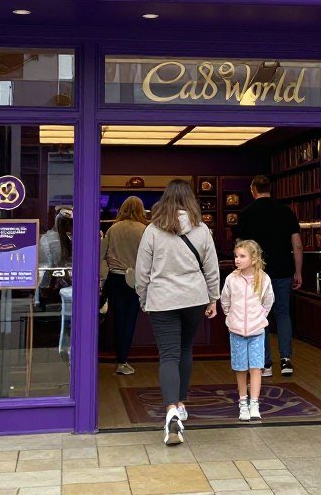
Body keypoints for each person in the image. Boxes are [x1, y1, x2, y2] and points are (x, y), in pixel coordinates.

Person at [135, 179, 220, 445]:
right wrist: (213, 298)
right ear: (190, 201)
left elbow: (142, 271)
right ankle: (181, 404)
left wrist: (143, 296)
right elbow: (212, 267)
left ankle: (172, 409)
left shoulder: (152, 230)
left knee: (168, 355)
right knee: (185, 350)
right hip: (194, 298)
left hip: (162, 299)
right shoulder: (202, 229)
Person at [234, 175, 301, 378]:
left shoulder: (246, 214)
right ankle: (286, 360)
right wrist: (298, 271)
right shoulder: (286, 211)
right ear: (270, 188)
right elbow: (297, 244)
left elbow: (240, 247)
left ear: (253, 189)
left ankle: (265, 364)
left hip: (257, 272)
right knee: (282, 313)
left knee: (260, 316)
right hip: (283, 270)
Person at [221, 240, 274, 422]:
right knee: (240, 367)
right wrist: (231, 317)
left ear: (253, 259)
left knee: (256, 368)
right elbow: (225, 300)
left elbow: (268, 300)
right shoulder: (231, 279)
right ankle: (242, 402)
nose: (237, 259)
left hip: (257, 331)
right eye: (236, 256)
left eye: (242, 256)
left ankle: (254, 403)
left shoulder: (263, 279)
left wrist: (260, 316)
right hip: (236, 331)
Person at [101, 196, 147, 375]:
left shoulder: (113, 228)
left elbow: (102, 255)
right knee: (130, 319)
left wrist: (104, 275)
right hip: (135, 279)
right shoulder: (145, 230)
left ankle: (120, 359)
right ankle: (123, 359)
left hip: (115, 278)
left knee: (118, 319)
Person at [36, 208, 73, 309]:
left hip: (57, 284)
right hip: (56, 284)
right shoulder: (48, 238)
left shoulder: (48, 238)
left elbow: (45, 266)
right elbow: (45, 266)